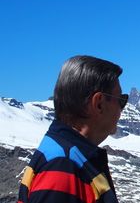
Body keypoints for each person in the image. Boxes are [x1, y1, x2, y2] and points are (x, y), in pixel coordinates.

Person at [18, 55, 127, 203]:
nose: (122, 109)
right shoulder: (61, 169)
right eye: (121, 100)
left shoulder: (65, 156)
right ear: (99, 103)